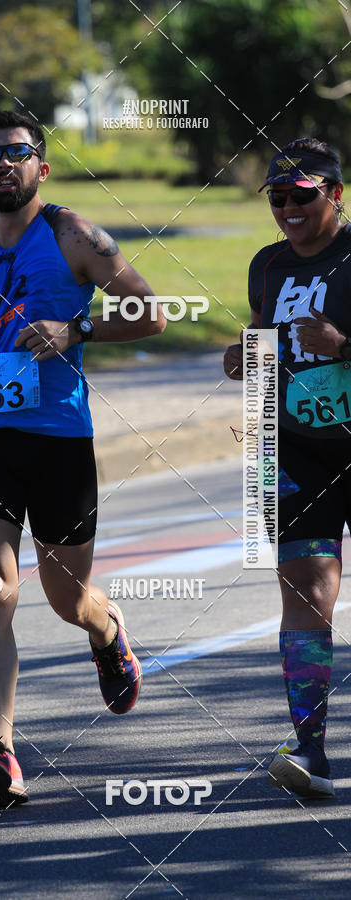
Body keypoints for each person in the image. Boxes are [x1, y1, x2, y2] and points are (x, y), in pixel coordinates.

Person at [0, 109, 167, 808]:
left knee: (68, 600)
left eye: (18, 153)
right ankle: (0, 751)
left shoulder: (76, 237)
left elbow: (152, 313)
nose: (3, 165)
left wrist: (76, 328)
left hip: (59, 436)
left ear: (42, 166)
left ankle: (107, 629)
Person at [223, 137, 349, 798]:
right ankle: (310, 749)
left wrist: (343, 345)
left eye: (302, 195)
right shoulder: (267, 265)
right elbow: (262, 338)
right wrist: (246, 357)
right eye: (277, 197)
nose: (288, 208)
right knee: (304, 586)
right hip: (296, 448)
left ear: (336, 194)